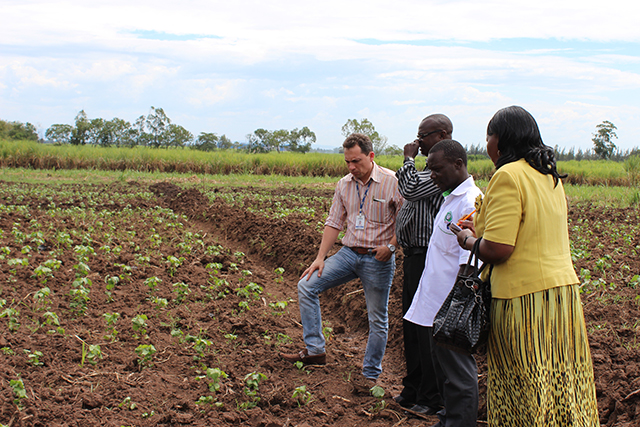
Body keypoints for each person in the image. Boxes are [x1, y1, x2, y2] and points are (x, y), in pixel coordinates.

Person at [452, 106, 599, 426]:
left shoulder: (508, 175)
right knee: (560, 377)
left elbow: (500, 249)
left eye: (488, 136)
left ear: (500, 139)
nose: (487, 143)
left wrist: (468, 241)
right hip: (561, 295)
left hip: (522, 298)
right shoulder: (549, 177)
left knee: (523, 381)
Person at [280, 133, 403, 381]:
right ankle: (315, 350)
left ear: (370, 156)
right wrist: (320, 257)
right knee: (306, 286)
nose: (351, 167)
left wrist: (390, 247)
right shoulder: (344, 184)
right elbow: (334, 222)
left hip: (377, 259)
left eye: (356, 161)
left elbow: (405, 221)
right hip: (348, 254)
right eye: (347, 161)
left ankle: (370, 374)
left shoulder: (392, 182)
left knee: (377, 319)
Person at [404, 139, 481, 427]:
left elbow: (468, 258)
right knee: (444, 371)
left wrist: (457, 305)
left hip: (450, 303)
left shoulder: (469, 201)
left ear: (458, 164)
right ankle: (448, 418)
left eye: (437, 169)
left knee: (458, 374)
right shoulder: (450, 198)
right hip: (436, 301)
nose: (432, 175)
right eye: (429, 169)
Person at [393, 114, 452, 415]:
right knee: (411, 325)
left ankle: (431, 396)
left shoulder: (439, 174)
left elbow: (409, 189)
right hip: (413, 256)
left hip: (427, 256)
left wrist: (407, 158)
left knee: (425, 327)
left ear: (441, 135)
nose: (418, 142)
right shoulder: (428, 171)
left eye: (423, 136)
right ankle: (413, 388)